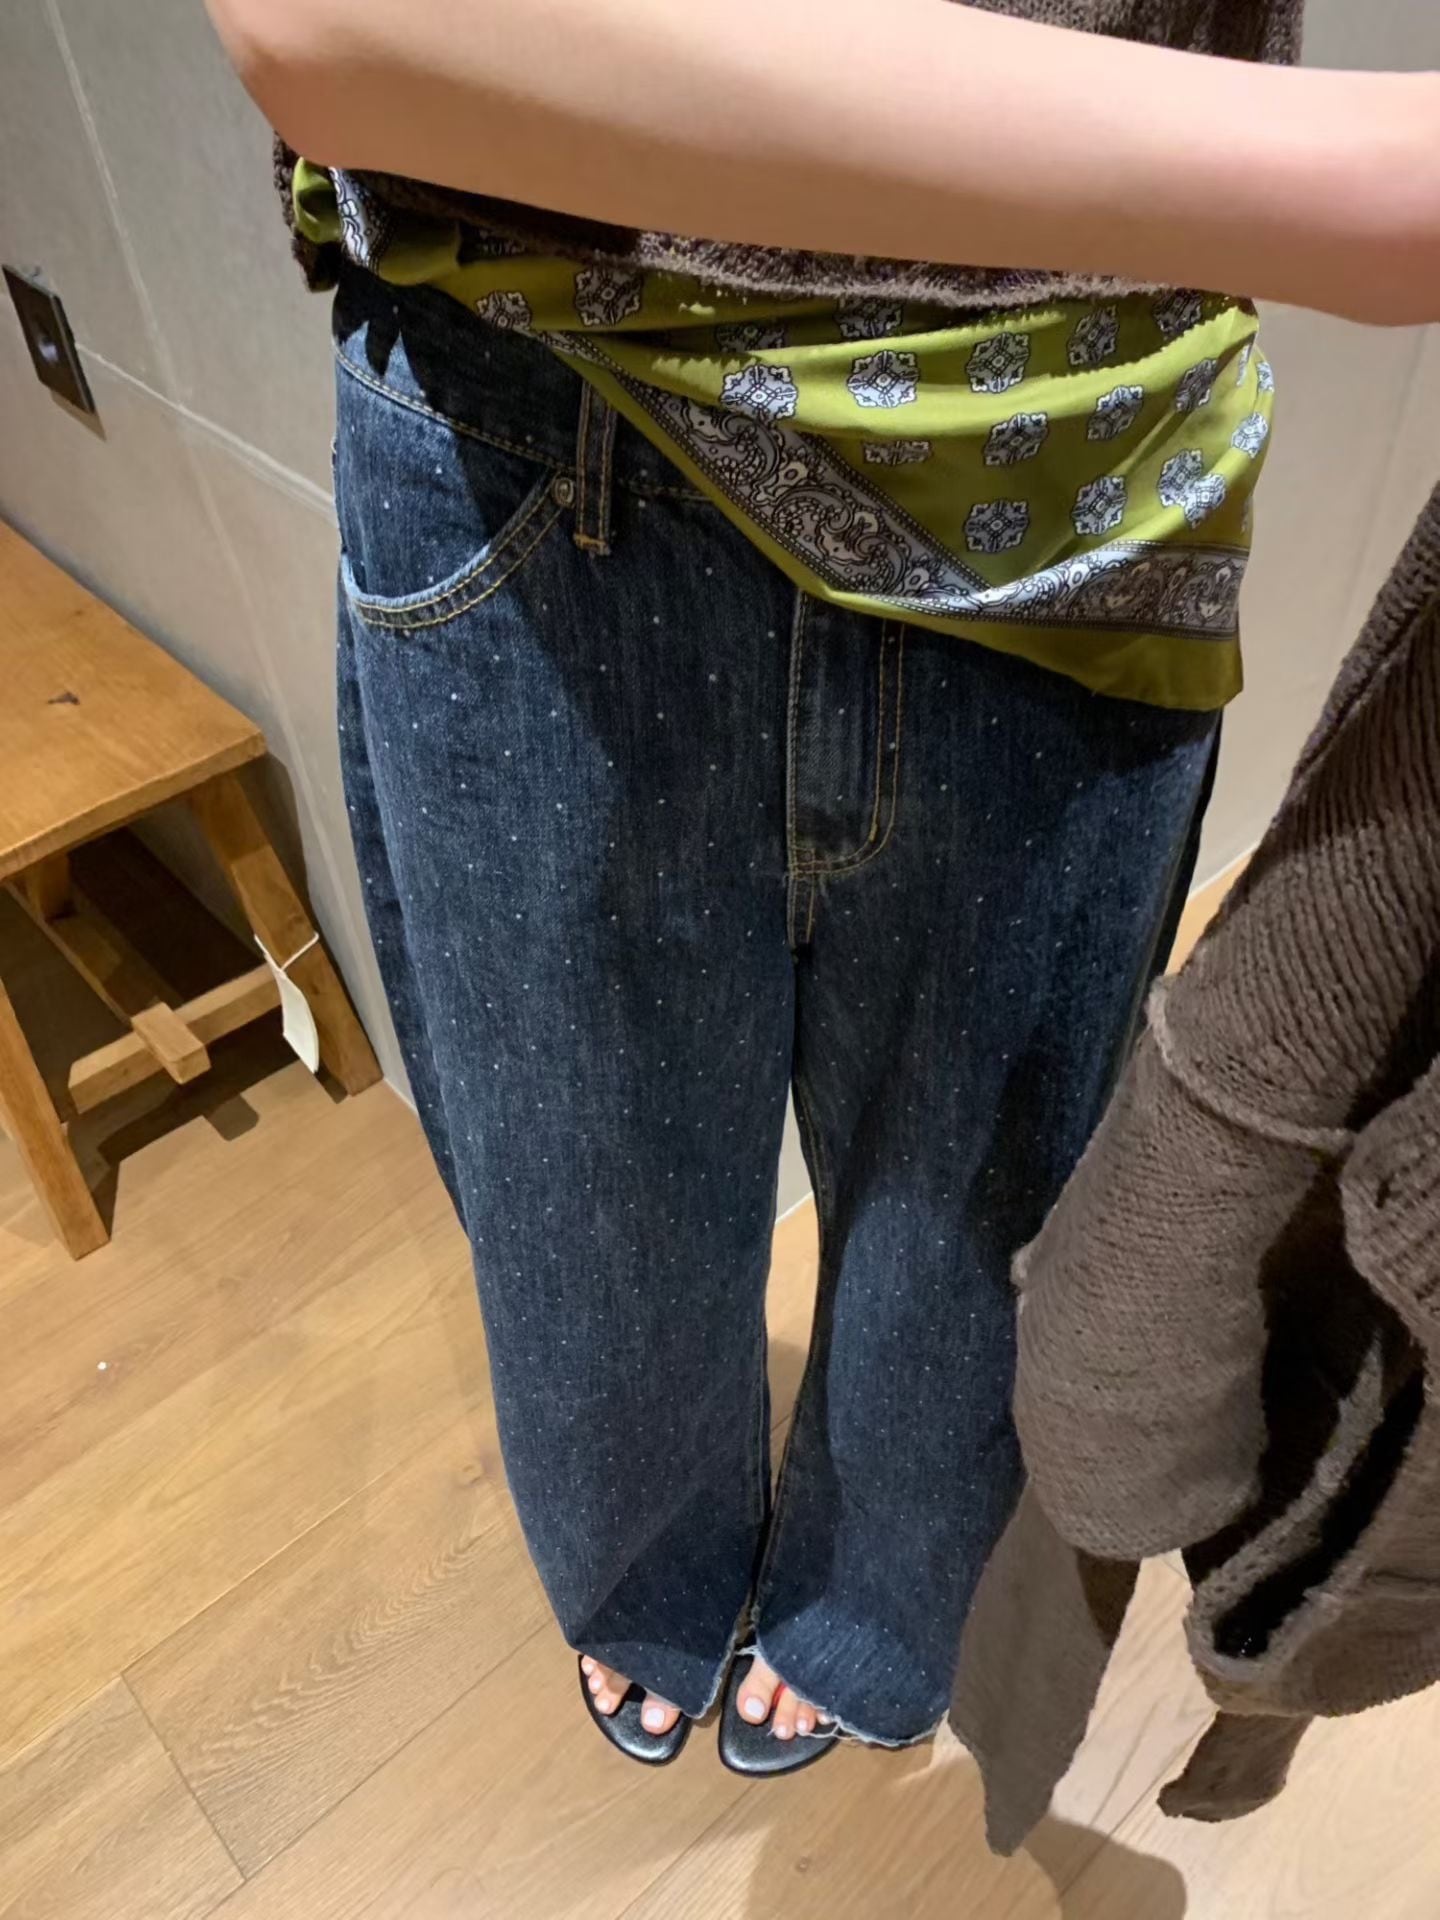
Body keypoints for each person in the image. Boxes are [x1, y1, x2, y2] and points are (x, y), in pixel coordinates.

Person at [207, 0, 1440, 1769]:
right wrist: (1377, 179)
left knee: (971, 1207)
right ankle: (662, 1574)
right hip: (543, 406)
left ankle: (878, 1594)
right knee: (589, 1208)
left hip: (1076, 475)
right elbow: (332, 28)